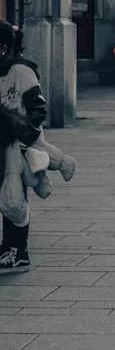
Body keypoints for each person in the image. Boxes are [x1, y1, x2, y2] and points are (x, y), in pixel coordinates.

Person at [0, 21, 46, 275]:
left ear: (4, 47)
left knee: (14, 200)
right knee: (4, 198)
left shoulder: (21, 70)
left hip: (13, 146)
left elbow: (38, 110)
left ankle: (18, 251)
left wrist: (22, 140)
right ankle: (8, 247)